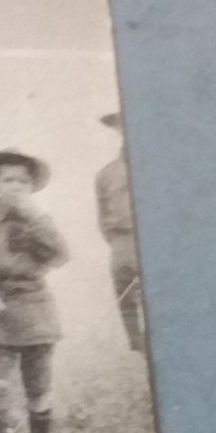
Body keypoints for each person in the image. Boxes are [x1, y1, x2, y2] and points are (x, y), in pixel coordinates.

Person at [0, 148, 68, 433]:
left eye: (22, 181)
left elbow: (60, 255)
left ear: (31, 186)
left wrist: (35, 218)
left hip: (34, 310)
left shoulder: (39, 219)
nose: (15, 186)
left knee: (38, 387)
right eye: (7, 179)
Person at [95, 112, 144, 351]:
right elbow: (103, 214)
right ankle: (136, 344)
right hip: (123, 242)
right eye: (123, 128)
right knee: (125, 293)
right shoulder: (106, 174)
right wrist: (119, 241)